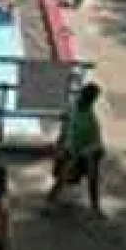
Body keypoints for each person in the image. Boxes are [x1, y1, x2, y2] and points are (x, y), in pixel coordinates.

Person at [46, 82, 105, 217]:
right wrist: (61, 144)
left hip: (89, 149)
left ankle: (95, 207)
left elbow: (83, 138)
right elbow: (66, 127)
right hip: (76, 147)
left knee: (92, 177)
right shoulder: (75, 109)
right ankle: (50, 200)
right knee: (64, 175)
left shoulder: (88, 116)